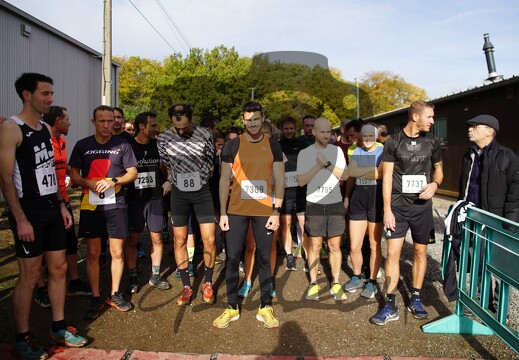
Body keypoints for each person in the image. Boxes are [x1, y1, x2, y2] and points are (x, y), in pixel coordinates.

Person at [0, 73, 87, 359]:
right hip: (28, 212)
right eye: (45, 94)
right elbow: (5, 178)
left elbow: (50, 172)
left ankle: (59, 327)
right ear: (27, 94)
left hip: (52, 208)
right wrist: (20, 218)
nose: (50, 99)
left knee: (59, 268)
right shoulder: (12, 128)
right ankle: (23, 337)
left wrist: (62, 204)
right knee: (30, 274)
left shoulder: (44, 130)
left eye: (51, 94)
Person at [370, 100, 443, 326]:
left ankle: (416, 298)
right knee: (392, 254)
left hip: (422, 209)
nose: (432, 121)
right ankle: (390, 305)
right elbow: (387, 178)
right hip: (398, 207)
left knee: (420, 253)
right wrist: (387, 210)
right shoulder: (393, 142)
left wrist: (435, 185)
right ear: (415, 117)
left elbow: (439, 171)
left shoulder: (432, 141)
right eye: (429, 117)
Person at [213, 101, 284, 329]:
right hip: (236, 211)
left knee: (264, 258)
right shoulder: (233, 145)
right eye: (248, 120)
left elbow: (281, 180)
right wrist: (223, 212)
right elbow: (224, 180)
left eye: (256, 119)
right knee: (232, 258)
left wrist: (277, 211)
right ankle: (231, 307)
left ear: (262, 118)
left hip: (264, 211)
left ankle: (265, 307)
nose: (252, 123)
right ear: (242, 120)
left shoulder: (273, 146)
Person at [69, 105, 138, 319]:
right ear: (93, 122)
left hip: (116, 204)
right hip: (91, 205)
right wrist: (87, 183)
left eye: (110, 120)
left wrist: (114, 181)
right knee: (92, 253)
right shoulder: (83, 145)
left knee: (117, 251)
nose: (107, 125)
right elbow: (73, 174)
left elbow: (133, 173)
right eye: (102, 121)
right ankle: (96, 297)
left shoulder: (123, 144)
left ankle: (115, 293)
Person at [458, 114, 519, 313]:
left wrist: (509, 225)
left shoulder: (507, 157)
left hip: (498, 220)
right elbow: (465, 187)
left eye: (475, 126)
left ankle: (501, 309)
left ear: (490, 131)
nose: (470, 129)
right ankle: (481, 299)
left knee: (501, 266)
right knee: (476, 258)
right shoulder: (469, 155)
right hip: (473, 218)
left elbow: (515, 194)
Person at [157, 104, 216, 306]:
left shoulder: (204, 134)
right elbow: (166, 163)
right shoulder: (164, 137)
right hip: (179, 194)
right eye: (176, 127)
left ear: (191, 119)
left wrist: (200, 179)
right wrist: (174, 180)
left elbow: (210, 161)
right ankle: (186, 285)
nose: (180, 131)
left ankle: (207, 282)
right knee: (179, 239)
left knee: (209, 238)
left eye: (184, 127)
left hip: (202, 191)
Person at [41, 106, 91, 296]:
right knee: (46, 246)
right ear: (57, 121)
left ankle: (75, 282)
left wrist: (79, 178)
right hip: (47, 202)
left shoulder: (61, 141)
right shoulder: (43, 143)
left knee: (71, 242)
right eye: (67, 119)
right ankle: (42, 289)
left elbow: (65, 167)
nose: (69, 122)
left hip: (64, 200)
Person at [297, 118, 347, 302]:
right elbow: (301, 180)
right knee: (315, 246)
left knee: (334, 246)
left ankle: (335, 282)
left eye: (328, 132)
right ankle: (313, 283)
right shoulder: (305, 153)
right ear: (314, 132)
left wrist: (327, 165)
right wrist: (317, 166)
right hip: (314, 204)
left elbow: (346, 175)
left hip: (334, 203)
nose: (326, 135)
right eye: (322, 132)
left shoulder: (337, 151)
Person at [125, 111, 170, 294]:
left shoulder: (158, 145)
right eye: (152, 125)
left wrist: (168, 181)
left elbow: (166, 167)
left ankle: (156, 275)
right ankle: (132, 275)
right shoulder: (128, 146)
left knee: (157, 237)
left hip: (155, 198)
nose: (155, 129)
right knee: (133, 238)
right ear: (141, 126)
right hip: (134, 199)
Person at [342, 124, 384, 298]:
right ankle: (357, 276)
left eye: (370, 136)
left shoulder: (382, 152)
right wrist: (347, 197)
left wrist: (362, 171)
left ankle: (373, 282)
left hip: (375, 198)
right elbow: (350, 174)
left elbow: (379, 175)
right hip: (358, 197)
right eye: (364, 136)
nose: (367, 139)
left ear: (376, 136)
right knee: (354, 244)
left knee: (374, 245)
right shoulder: (357, 151)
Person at [278, 116, 308, 270]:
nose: (289, 131)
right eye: (286, 128)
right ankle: (289, 255)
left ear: (295, 129)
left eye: (291, 128)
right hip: (284, 191)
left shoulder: (302, 145)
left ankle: (308, 256)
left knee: (303, 224)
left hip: (301, 190)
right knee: (286, 224)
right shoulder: (277, 146)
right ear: (282, 130)